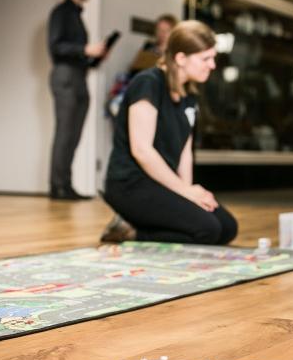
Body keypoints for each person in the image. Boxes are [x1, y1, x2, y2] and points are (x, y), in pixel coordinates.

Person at [101, 20, 238, 245]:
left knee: (227, 228)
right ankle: (130, 232)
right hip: (130, 185)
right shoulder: (148, 83)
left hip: (163, 183)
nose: (212, 65)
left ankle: (141, 227)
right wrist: (185, 192)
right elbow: (142, 151)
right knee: (208, 230)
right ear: (181, 58)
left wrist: (190, 193)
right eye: (206, 59)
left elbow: (185, 151)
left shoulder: (189, 96)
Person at [47, 0, 107, 200]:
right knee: (65, 132)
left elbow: (80, 54)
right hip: (65, 77)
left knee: (74, 134)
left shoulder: (77, 16)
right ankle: (57, 186)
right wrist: (84, 50)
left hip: (80, 77)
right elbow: (55, 47)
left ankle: (66, 184)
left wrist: (96, 57)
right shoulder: (60, 13)